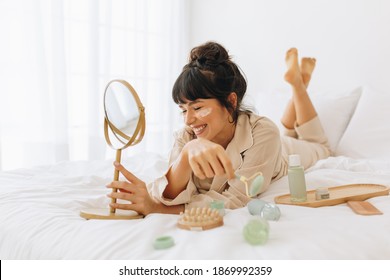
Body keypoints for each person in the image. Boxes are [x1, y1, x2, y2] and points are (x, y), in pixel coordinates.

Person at [106, 42, 330, 215]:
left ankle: (300, 86)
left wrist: (157, 210)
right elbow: (168, 192)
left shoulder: (264, 132)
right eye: (184, 110)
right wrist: (186, 154)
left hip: (287, 152)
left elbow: (234, 200)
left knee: (319, 145)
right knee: (287, 130)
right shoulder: (186, 137)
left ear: (231, 102)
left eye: (198, 107)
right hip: (275, 142)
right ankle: (299, 84)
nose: (188, 120)